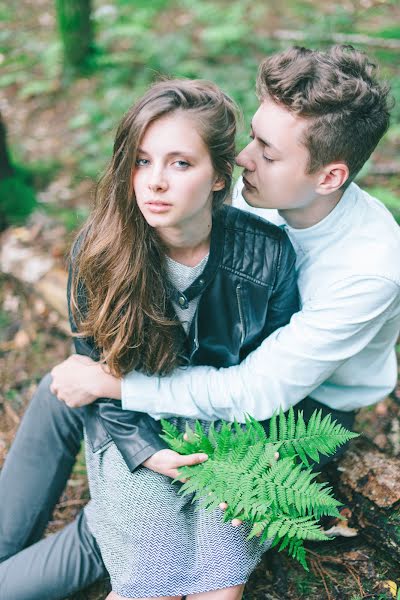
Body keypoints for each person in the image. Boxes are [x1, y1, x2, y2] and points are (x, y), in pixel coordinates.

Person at [0, 44, 399, 598]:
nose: (243, 160)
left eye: (267, 150)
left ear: (329, 176)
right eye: (252, 136)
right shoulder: (258, 192)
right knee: (61, 387)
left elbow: (257, 391)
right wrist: (109, 385)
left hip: (296, 412)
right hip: (207, 376)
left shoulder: (370, 270)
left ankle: (101, 538)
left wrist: (119, 385)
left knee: (147, 525)